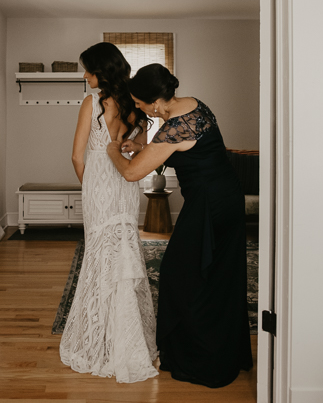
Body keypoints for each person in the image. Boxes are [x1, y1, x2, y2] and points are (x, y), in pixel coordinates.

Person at [106, 63, 253, 388]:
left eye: (141, 103)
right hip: (229, 196)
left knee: (178, 274)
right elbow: (191, 150)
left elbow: (131, 173)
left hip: (207, 207)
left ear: (155, 103)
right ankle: (223, 351)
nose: (140, 109)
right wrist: (145, 148)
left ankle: (199, 359)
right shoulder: (194, 105)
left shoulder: (171, 128)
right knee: (220, 276)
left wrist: (114, 150)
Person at [59, 42, 158, 383]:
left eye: (88, 69)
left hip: (99, 184)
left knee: (100, 255)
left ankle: (101, 338)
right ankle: (127, 335)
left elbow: (76, 157)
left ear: (103, 70)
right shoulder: (135, 105)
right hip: (126, 181)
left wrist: (91, 190)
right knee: (125, 249)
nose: (85, 75)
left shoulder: (91, 103)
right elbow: (143, 150)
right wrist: (130, 146)